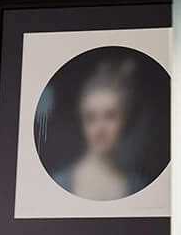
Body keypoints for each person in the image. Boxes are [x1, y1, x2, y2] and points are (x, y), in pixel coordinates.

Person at [55, 52, 144, 199]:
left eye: (110, 116)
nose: (99, 129)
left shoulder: (137, 186)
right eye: (90, 118)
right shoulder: (60, 182)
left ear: (125, 120)